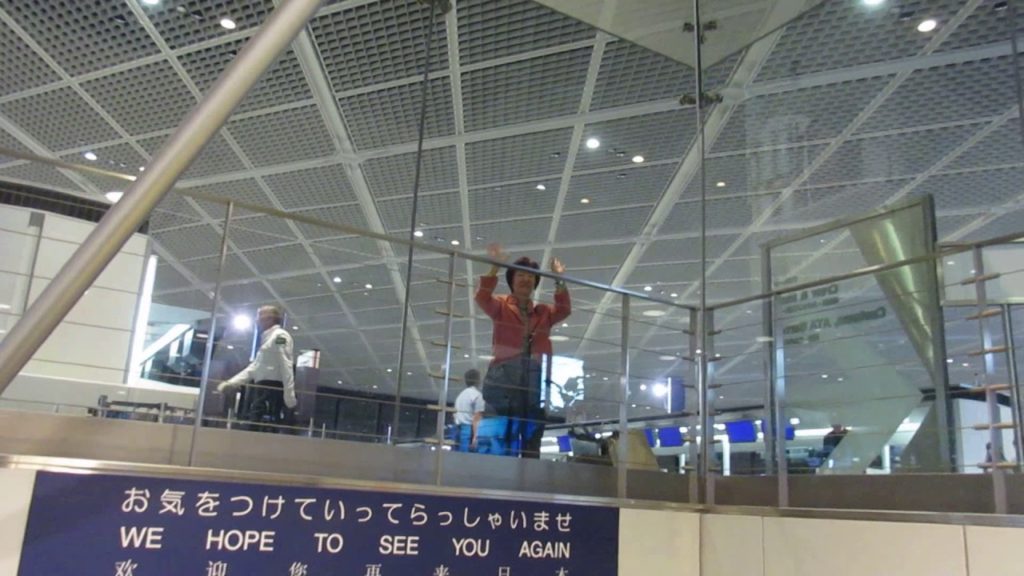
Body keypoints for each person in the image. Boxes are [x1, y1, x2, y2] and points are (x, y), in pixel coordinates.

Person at [475, 243, 571, 458]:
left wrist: (559, 279)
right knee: (502, 436)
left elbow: (564, 310)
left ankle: (529, 481)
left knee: (532, 437)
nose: (526, 279)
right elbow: (482, 298)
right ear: (511, 280)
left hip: (534, 379)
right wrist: (494, 267)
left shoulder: (543, 312)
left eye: (530, 276)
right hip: (503, 378)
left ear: (536, 282)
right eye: (520, 275)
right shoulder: (501, 305)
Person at [217, 305, 296, 432]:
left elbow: (286, 363)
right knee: (255, 419)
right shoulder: (268, 339)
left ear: (270, 319)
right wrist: (232, 383)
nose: (257, 320)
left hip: (273, 389)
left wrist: (289, 395)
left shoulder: (281, 337)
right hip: (263, 387)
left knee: (264, 421)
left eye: (260, 316)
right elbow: (254, 367)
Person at [453, 369, 485, 452]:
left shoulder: (460, 396)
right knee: (467, 457)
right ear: (478, 380)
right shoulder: (477, 395)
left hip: (457, 429)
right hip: (468, 430)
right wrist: (475, 436)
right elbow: (477, 418)